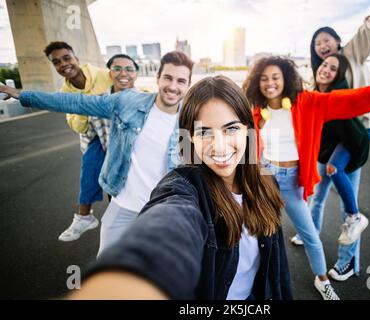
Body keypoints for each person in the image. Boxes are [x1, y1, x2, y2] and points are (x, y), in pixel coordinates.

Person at [68, 76, 292, 300]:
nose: (220, 145)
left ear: (247, 130)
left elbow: (277, 267)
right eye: (204, 132)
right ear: (189, 138)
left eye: (231, 128)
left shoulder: (265, 182)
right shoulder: (183, 187)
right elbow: (169, 224)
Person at [242, 55, 370, 299]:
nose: (270, 83)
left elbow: (356, 98)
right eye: (264, 78)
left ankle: (322, 281)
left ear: (285, 78)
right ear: (257, 82)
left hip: (290, 182)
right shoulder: (256, 109)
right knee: (253, 232)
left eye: (275, 77)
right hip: (264, 177)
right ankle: (249, 285)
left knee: (310, 235)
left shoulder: (308, 102)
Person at [0, 51, 194, 255]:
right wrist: (21, 94)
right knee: (105, 267)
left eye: (181, 81)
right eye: (168, 78)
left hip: (163, 212)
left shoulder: (188, 122)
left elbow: (193, 171)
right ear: (158, 78)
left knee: (154, 273)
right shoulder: (128, 102)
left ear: (188, 85)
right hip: (123, 207)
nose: (173, 86)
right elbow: (76, 102)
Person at [307, 0, 370, 280]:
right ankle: (310, 234)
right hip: (332, 138)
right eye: (317, 43)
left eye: (326, 39)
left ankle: (348, 262)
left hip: (354, 135)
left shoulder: (352, 54)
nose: (322, 46)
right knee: (317, 192)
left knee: (349, 203)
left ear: (338, 41)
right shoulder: (321, 72)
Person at [44, 41, 112, 241]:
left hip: (116, 128)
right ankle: (85, 216)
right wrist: (83, 105)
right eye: (56, 62)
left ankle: (86, 215)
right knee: (92, 164)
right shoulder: (65, 94)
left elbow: (126, 88)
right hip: (95, 134)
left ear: (76, 59)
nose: (63, 64)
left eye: (67, 58)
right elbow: (78, 127)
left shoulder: (102, 75)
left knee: (121, 177)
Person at [313, 54, 370, 246]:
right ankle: (311, 233)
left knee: (335, 168)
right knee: (317, 194)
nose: (325, 70)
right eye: (324, 65)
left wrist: (353, 162)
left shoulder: (338, 97)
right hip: (334, 144)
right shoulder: (316, 94)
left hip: (354, 141)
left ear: (338, 75)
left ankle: (355, 217)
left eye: (332, 69)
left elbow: (356, 137)